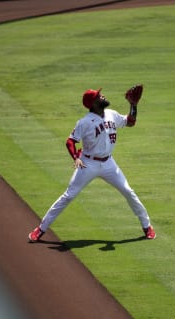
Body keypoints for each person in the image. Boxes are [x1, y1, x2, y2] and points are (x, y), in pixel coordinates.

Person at [28, 86, 156, 242]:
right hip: (88, 163)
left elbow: (130, 122)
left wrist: (133, 105)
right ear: (93, 104)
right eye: (98, 96)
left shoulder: (111, 114)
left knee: (128, 191)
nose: (102, 96)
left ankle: (147, 226)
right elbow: (70, 141)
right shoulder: (84, 122)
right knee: (69, 196)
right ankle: (41, 229)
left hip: (109, 163)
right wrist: (75, 157)